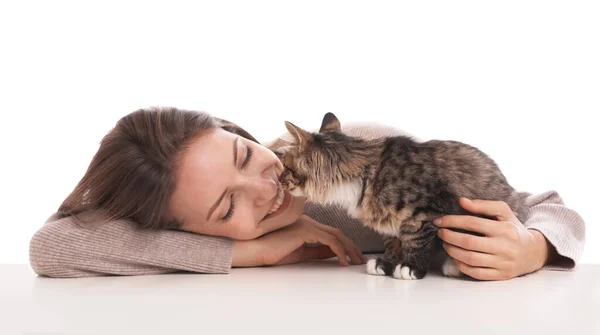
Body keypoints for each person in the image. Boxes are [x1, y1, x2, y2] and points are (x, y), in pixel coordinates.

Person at [29, 107, 586, 280]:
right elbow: (50, 248)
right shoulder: (194, 231)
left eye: (246, 157)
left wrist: (533, 245)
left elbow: (554, 208)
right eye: (227, 207)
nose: (266, 188)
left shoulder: (365, 155)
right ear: (191, 228)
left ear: (243, 135)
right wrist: (246, 252)